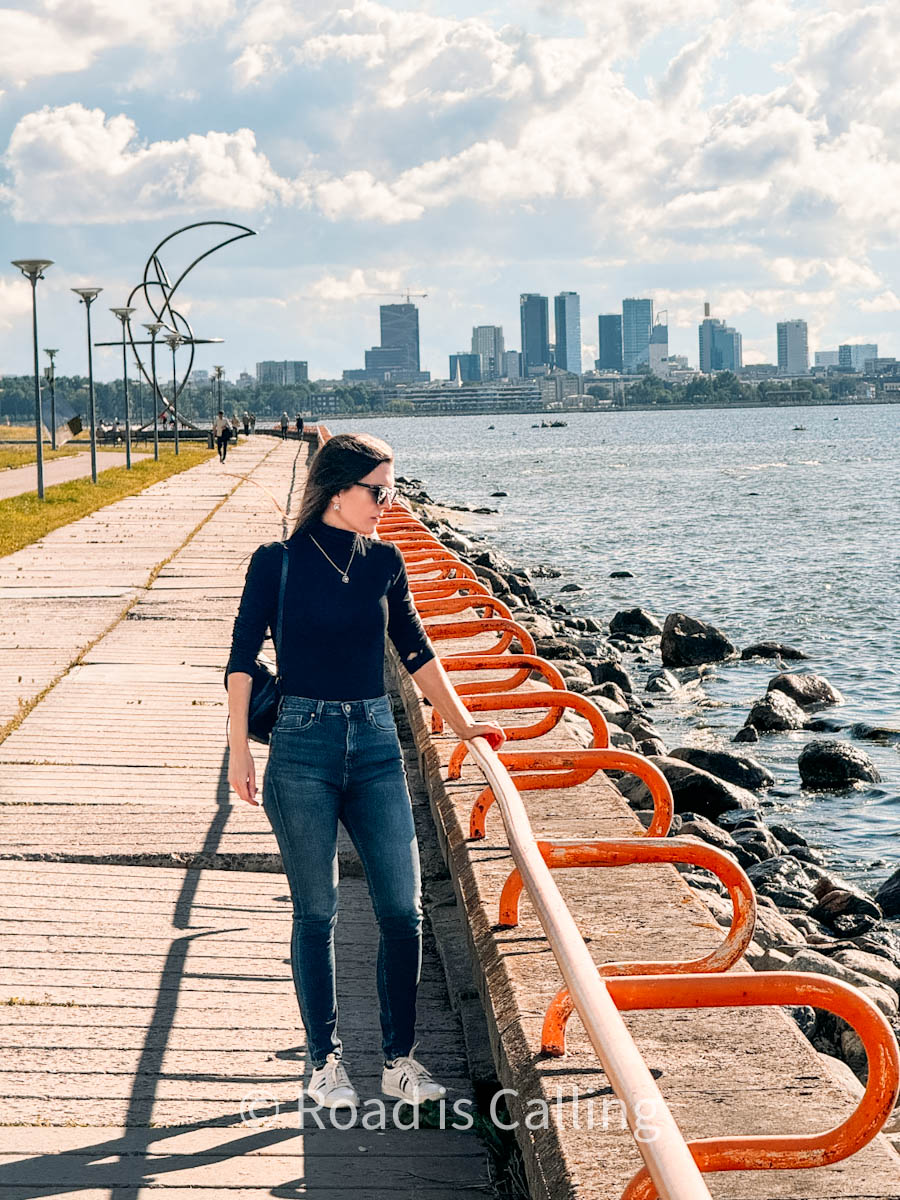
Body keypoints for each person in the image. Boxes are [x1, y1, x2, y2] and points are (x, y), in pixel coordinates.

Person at [225, 433, 505, 1111]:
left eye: (392, 489)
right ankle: (325, 1064)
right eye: (379, 490)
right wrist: (239, 749)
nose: (389, 502)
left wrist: (463, 722)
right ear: (338, 489)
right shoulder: (277, 562)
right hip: (300, 748)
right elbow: (239, 660)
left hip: (378, 743)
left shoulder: (385, 562)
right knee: (316, 911)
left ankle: (397, 1060)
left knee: (401, 910)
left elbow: (416, 650)